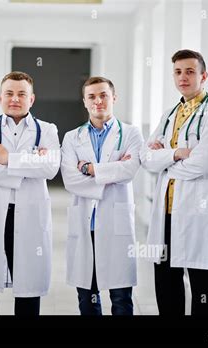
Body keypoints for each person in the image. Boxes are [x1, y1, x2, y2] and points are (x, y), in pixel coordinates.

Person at [139, 49, 208, 315]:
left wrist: (163, 161)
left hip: (195, 209)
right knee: (165, 278)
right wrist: (176, 154)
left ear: (204, 76)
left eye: (190, 71)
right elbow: (146, 158)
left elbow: (202, 163)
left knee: (202, 282)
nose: (183, 77)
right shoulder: (170, 113)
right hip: (165, 210)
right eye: (178, 72)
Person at [0, 71, 60, 316]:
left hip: (29, 214)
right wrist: (27, 167)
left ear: (32, 99)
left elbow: (50, 167)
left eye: (21, 94)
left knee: (27, 286)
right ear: (0, 97)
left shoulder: (47, 130)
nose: (15, 99)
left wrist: (7, 159)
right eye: (9, 93)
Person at [61, 76, 143, 315]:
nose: (98, 101)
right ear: (84, 102)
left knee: (121, 299)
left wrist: (89, 169)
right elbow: (70, 180)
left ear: (113, 98)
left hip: (116, 223)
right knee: (88, 298)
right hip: (85, 223)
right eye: (92, 97)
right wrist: (111, 172)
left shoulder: (130, 134)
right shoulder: (71, 137)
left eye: (103, 95)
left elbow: (128, 172)